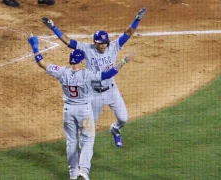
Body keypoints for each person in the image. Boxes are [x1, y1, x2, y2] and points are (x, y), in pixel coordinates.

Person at [27, 35, 135, 180]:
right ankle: (83, 171)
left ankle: (72, 174)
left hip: (68, 112)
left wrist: (34, 45)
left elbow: (41, 62)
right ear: (82, 61)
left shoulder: (62, 72)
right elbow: (109, 73)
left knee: (71, 142)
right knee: (87, 140)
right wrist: (124, 61)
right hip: (84, 113)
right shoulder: (87, 74)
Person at [41, 7, 147, 148]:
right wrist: (53, 27)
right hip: (93, 94)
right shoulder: (86, 49)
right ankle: (81, 148)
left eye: (104, 43)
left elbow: (128, 33)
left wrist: (137, 19)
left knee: (123, 118)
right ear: (95, 42)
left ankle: (115, 130)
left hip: (111, 90)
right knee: (88, 125)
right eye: (99, 43)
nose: (102, 45)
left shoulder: (113, 47)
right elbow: (68, 41)